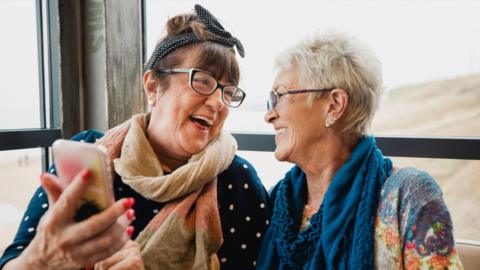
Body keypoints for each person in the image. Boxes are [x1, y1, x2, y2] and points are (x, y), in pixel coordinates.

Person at [0, 5, 270, 270]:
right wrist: (40, 259)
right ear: (153, 86)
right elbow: (13, 261)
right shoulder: (88, 152)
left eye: (228, 92)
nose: (217, 103)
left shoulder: (237, 180)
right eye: (202, 81)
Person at [256, 31, 463, 269]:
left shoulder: (408, 197)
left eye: (280, 96)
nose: (269, 115)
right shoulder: (278, 201)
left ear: (334, 105)